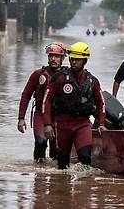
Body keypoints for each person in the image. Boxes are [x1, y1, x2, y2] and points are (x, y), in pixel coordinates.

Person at [43, 42, 106, 170]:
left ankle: (84, 188)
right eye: (72, 58)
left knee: (85, 159)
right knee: (62, 165)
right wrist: (47, 124)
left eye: (77, 59)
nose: (74, 62)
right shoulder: (59, 78)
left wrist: (101, 123)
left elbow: (101, 103)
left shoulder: (92, 81)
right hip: (62, 124)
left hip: (82, 124)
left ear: (84, 61)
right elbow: (47, 100)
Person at [17, 42, 66, 163]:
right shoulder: (38, 74)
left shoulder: (68, 76)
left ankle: (56, 179)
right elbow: (26, 96)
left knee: (57, 150)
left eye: (56, 56)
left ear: (63, 58)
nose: (53, 59)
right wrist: (21, 118)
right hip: (41, 113)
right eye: (50, 56)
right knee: (40, 142)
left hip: (59, 115)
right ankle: (39, 176)